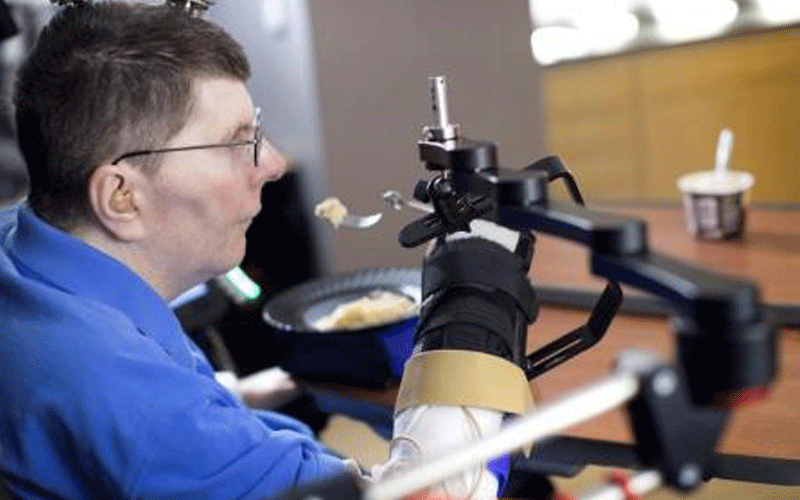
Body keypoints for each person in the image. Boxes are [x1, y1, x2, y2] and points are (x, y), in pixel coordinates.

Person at [0, 2, 540, 499]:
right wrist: (471, 324)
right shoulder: (129, 400)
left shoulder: (24, 254)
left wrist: (249, 394)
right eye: (236, 142)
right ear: (122, 196)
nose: (273, 163)